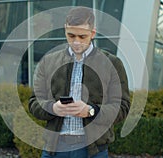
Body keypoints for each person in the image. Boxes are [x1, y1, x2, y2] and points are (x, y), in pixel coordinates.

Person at [29, 6, 130, 158]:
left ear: (93, 33)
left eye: (82, 37)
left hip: (94, 150)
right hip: (54, 149)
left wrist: (91, 111)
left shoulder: (112, 64)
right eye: (71, 35)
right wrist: (52, 108)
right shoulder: (48, 62)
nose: (76, 42)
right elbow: (33, 103)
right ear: (65, 30)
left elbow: (122, 107)